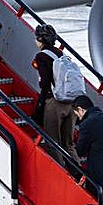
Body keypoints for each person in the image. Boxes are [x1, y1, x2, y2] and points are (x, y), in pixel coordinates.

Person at [32, 23, 79, 163]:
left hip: (55, 102)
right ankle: (81, 177)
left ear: (40, 40)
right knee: (68, 144)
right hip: (71, 103)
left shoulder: (41, 56)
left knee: (53, 143)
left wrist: (41, 103)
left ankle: (64, 175)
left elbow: (45, 83)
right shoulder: (61, 54)